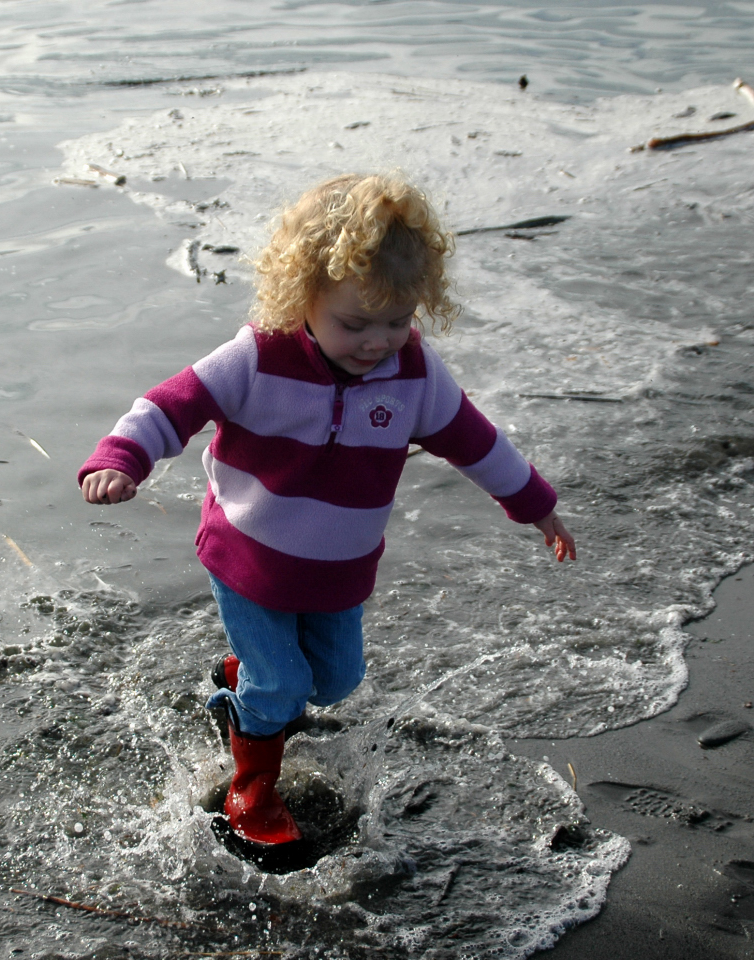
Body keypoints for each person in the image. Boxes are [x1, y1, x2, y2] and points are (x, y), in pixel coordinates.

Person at [79, 173, 576, 853]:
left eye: (397, 321)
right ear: (301, 292)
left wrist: (537, 506)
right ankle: (250, 788)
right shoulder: (258, 358)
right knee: (283, 686)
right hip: (248, 556)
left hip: (337, 575)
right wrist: (120, 458)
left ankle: (241, 683)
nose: (377, 341)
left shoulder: (413, 376)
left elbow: (475, 440)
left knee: (335, 682)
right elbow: (173, 403)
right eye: (354, 323)